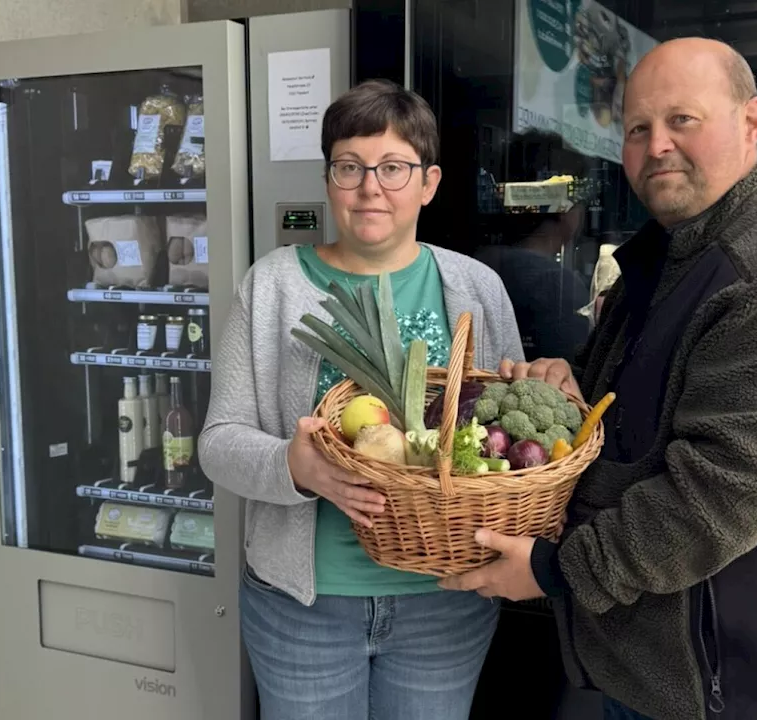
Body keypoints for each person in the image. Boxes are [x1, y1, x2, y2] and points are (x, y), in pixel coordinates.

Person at [439, 38, 757, 720]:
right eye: (637, 129)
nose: (656, 147)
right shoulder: (672, 255)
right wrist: (573, 393)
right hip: (656, 672)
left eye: (682, 120)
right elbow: (640, 419)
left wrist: (550, 570)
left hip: (737, 687)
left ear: (750, 122)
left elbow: (714, 497)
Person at [199, 79, 524, 720]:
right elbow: (218, 442)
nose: (370, 186)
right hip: (303, 606)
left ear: (428, 183)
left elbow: (503, 443)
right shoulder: (273, 285)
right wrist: (295, 468)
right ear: (329, 180)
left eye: (393, 168)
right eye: (349, 167)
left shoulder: (475, 288)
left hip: (446, 600)